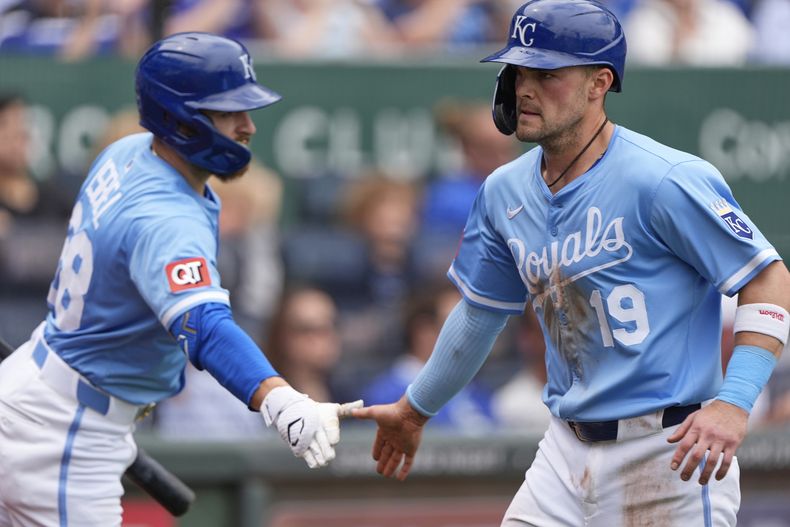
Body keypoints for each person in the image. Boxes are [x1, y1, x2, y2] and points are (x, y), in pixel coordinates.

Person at [352, 1, 790, 526]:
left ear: (598, 83)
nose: (525, 88)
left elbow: (768, 277)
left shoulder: (664, 179)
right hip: (565, 448)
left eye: (548, 73)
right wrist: (415, 407)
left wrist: (735, 401)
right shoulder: (503, 191)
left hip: (669, 450)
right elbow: (479, 314)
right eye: (518, 71)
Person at [0, 32, 360, 526]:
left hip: (42, 389)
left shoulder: (128, 151)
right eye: (229, 111)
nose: (248, 126)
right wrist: (280, 399)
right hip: (65, 430)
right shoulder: (166, 218)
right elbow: (204, 326)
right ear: (181, 117)